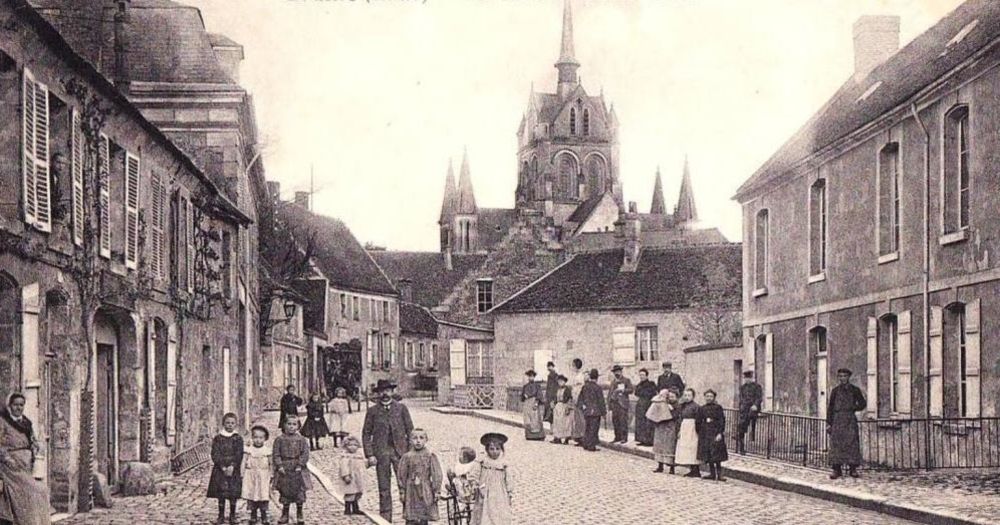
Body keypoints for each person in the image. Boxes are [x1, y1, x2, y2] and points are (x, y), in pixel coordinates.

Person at [362, 379, 415, 522]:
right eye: (382, 391)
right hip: (381, 453)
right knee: (384, 487)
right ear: (378, 393)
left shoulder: (401, 408)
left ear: (392, 392)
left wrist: (410, 451)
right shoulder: (372, 411)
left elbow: (410, 431)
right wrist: (370, 454)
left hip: (401, 453)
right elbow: (366, 433)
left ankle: (409, 515)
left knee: (404, 484)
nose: (385, 393)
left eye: (387, 390)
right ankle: (385, 518)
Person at [0, 393, 50, 525]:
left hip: (27, 466)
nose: (18, 408)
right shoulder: (3, 422)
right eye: (15, 405)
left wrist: (36, 448)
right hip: (11, 467)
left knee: (42, 490)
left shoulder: (26, 423)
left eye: (21, 405)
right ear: (10, 406)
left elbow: (32, 440)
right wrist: (9, 460)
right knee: (32, 490)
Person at [827, 368, 867, 479]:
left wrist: (853, 408)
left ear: (848, 377)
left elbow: (863, 403)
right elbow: (830, 407)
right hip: (837, 420)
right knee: (837, 445)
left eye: (845, 376)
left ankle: (853, 469)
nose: (842, 378)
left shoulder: (855, 390)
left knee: (851, 444)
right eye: (840, 376)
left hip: (849, 420)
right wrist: (829, 422)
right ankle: (836, 469)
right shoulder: (835, 391)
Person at [398, 429, 444, 525]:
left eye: (421, 438)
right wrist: (402, 490)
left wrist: (437, 491)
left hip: (425, 489)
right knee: (411, 517)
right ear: (410, 440)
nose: (418, 441)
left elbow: (436, 474)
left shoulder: (429, 456)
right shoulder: (407, 457)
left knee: (423, 516)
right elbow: (401, 475)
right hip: (411, 491)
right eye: (415, 438)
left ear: (426, 440)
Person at [273, 415, 312, 524]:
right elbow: (276, 454)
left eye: (294, 424)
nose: (291, 427)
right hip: (285, 468)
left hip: (298, 468)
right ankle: (285, 513)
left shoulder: (301, 439)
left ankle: (299, 513)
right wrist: (279, 466)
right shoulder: (279, 440)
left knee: (299, 491)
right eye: (289, 424)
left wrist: (300, 464)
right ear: (284, 425)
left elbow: (305, 453)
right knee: (285, 491)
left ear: (298, 426)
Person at [207, 412, 243, 525]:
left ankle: (232, 515)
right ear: (223, 424)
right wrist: (222, 467)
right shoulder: (218, 438)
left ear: (236, 424)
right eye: (227, 423)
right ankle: (221, 516)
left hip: (234, 469)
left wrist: (232, 466)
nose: (230, 425)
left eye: (232, 423)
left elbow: (239, 454)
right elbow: (215, 453)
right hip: (220, 469)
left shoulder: (238, 438)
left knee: (233, 492)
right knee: (221, 493)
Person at [469, 433, 512, 525]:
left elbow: (508, 478)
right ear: (487, 450)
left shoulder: (503, 464)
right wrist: (475, 484)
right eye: (492, 449)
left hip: (500, 493)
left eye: (497, 449)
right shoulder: (482, 462)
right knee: (485, 514)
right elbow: (474, 475)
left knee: (500, 514)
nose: (495, 452)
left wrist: (509, 492)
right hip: (485, 492)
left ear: (501, 449)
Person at [243, 425, 273, 525]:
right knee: (252, 494)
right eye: (255, 437)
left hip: (263, 475)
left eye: (261, 438)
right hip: (251, 475)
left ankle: (264, 514)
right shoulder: (249, 450)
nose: (258, 440)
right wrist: (241, 473)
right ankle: (253, 514)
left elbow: (271, 463)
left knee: (263, 494)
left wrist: (272, 474)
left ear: (265, 439)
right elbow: (244, 461)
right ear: (252, 438)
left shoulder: (267, 450)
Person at [697, 390, 728, 481]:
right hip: (706, 434)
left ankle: (719, 475)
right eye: (707, 396)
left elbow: (722, 421)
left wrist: (720, 433)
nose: (709, 398)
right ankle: (712, 474)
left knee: (717, 455)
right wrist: (700, 432)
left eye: (710, 396)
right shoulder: (702, 408)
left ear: (714, 397)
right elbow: (698, 421)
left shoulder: (718, 408)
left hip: (715, 433)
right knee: (709, 454)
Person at [648, 389, 679, 474]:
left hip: (670, 427)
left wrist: (671, 410)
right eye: (669, 396)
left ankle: (672, 468)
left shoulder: (677, 405)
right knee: (660, 446)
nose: (671, 398)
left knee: (670, 447)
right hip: (661, 426)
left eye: (673, 397)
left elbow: (676, 416)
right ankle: (660, 465)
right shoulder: (662, 403)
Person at [674, 388, 701, 477]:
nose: (687, 397)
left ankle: (696, 470)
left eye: (689, 395)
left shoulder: (696, 407)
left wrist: (697, 431)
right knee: (685, 448)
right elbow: (679, 417)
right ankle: (690, 468)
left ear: (693, 396)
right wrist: (679, 430)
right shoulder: (682, 406)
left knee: (692, 448)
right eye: (685, 395)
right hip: (684, 426)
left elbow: (698, 420)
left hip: (692, 427)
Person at [338, 435, 368, 516]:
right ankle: (347, 508)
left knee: (357, 492)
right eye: (350, 445)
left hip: (358, 478)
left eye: (355, 445)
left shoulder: (359, 455)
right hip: (350, 477)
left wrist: (368, 464)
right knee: (350, 493)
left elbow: (362, 464)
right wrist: (346, 475)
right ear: (346, 446)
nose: (352, 447)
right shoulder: (345, 456)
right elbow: (344, 467)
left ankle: (355, 507)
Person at [577, 369, 607, 452]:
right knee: (594, 428)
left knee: (587, 427)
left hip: (587, 410)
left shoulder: (585, 387)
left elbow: (580, 399)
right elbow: (601, 401)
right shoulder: (598, 388)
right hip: (596, 411)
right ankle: (591, 446)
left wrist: (582, 407)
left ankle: (586, 444)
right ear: (597, 378)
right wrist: (604, 412)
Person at [737, 370, 763, 454]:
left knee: (752, 424)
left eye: (749, 378)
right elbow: (741, 398)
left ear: (752, 378)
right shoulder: (742, 387)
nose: (747, 380)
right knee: (742, 426)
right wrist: (741, 406)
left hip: (753, 409)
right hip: (744, 409)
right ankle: (741, 447)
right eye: (746, 378)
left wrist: (755, 405)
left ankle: (752, 440)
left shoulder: (757, 387)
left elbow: (759, 398)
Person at [606, 365, 634, 444]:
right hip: (615, 404)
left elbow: (631, 390)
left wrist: (623, 390)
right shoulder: (613, 381)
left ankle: (624, 438)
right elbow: (610, 393)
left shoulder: (626, 380)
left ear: (621, 372)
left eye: (618, 371)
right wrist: (609, 403)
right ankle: (617, 437)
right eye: (615, 372)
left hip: (622, 404)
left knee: (623, 421)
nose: (616, 373)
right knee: (615, 421)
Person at [633, 369, 658, 447]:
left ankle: (649, 441)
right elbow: (636, 393)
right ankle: (642, 440)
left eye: (643, 375)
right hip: (640, 406)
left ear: (647, 376)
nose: (641, 376)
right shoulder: (639, 384)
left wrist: (643, 393)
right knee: (641, 423)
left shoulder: (651, 384)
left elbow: (652, 393)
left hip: (648, 405)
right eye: (640, 375)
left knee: (648, 423)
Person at [520, 370, 545, 440]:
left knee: (535, 419)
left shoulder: (537, 386)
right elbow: (522, 397)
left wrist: (536, 403)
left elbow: (539, 395)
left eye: (532, 376)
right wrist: (524, 396)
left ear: (534, 377)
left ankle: (538, 436)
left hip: (534, 402)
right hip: (527, 404)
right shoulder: (525, 386)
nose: (531, 378)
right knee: (527, 419)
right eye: (529, 376)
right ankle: (529, 435)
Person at [550, 375, 573, 444]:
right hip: (558, 407)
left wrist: (568, 407)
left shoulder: (567, 389)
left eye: (562, 381)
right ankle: (557, 438)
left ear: (565, 382)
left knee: (565, 423)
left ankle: (566, 439)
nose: (560, 383)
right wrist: (553, 403)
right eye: (559, 381)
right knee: (557, 422)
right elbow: (554, 398)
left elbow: (569, 398)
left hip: (564, 406)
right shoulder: (557, 389)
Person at [569, 358, 587, 445]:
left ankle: (583, 437)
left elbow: (580, 390)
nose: (571, 367)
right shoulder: (576, 376)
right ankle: (579, 438)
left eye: (572, 365)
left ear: (576, 366)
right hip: (575, 400)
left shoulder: (580, 376)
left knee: (581, 419)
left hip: (579, 400)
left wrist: (578, 399)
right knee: (577, 420)